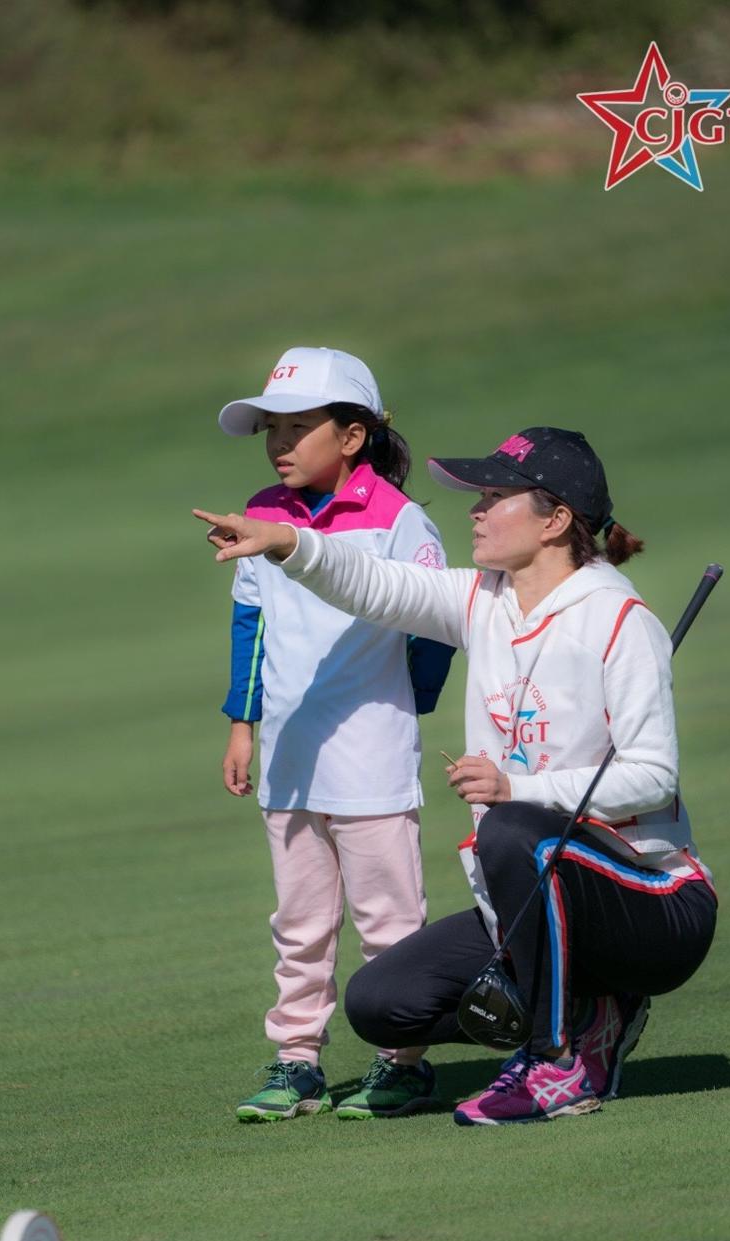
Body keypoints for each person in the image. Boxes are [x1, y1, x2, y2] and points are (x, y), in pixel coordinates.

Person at [195, 425, 717, 1126]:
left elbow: (652, 777)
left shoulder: (620, 619)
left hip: (654, 902)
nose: (474, 509)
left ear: (556, 519)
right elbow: (377, 583)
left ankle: (557, 1059)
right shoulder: (484, 599)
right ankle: (591, 1008)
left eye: (496, 496)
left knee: (512, 830)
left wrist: (515, 788)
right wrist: (289, 542)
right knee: (381, 1004)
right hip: (536, 896)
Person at [211, 347, 455, 1122]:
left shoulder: (401, 521)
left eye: (298, 426)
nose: (280, 443)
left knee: (391, 922)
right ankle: (297, 1062)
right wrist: (242, 726)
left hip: (372, 757)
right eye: (270, 429)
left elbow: (436, 625)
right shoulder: (260, 510)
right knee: (301, 924)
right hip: (287, 759)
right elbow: (250, 625)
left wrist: (406, 703)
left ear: (352, 437)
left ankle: (402, 1060)